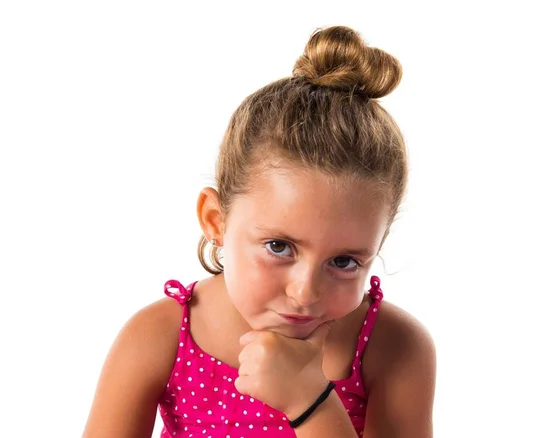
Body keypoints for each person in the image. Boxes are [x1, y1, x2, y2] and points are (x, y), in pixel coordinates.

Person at [82, 25, 436, 438]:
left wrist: (310, 401)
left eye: (344, 261)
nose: (305, 293)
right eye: (278, 247)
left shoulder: (393, 349)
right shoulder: (158, 337)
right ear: (216, 220)